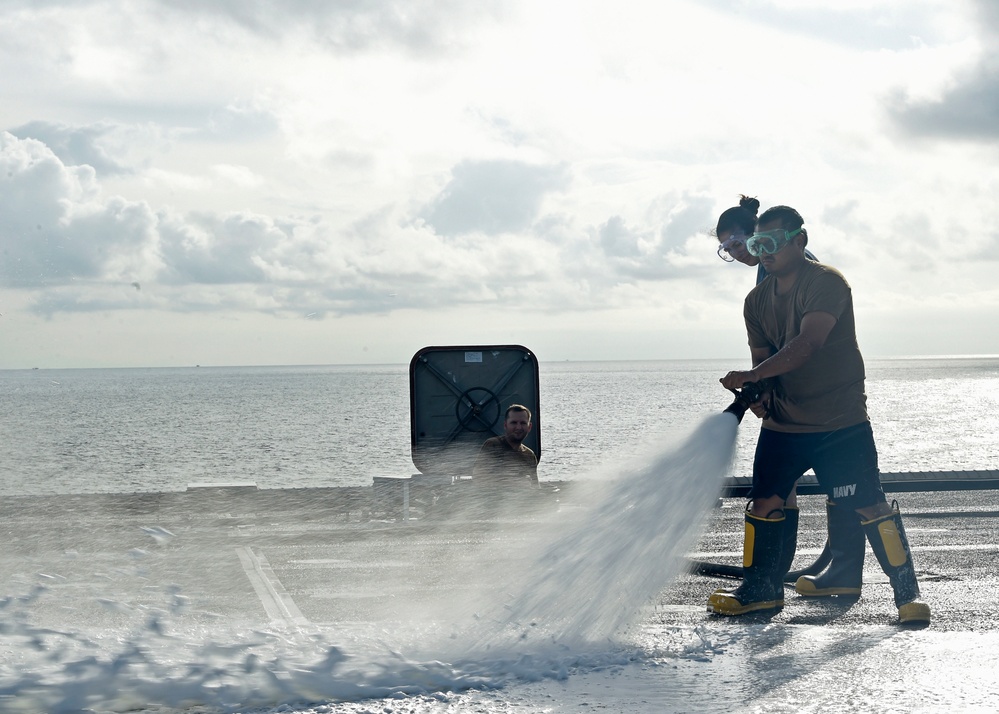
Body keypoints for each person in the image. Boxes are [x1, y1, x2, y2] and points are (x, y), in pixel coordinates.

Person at [706, 205, 930, 625]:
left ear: (799, 241)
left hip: (838, 423)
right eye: (757, 245)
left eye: (771, 243)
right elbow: (763, 357)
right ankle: (761, 592)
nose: (763, 252)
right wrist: (759, 394)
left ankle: (907, 596)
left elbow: (807, 344)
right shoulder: (755, 301)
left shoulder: (826, 283)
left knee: (867, 505)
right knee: (765, 502)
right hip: (783, 425)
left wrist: (753, 374)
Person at [714, 197, 864, 603]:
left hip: (819, 402)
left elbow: (803, 340)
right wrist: (763, 389)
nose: (736, 253)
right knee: (785, 486)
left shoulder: (789, 266)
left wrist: (761, 380)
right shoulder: (768, 270)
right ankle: (785, 573)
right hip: (790, 396)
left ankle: (816, 570)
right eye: (726, 249)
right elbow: (769, 340)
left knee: (839, 487)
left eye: (737, 242)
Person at [471, 404, 539, 489]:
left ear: (529, 427)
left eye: (523, 423)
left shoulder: (529, 455)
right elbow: (478, 479)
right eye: (514, 423)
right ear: (505, 425)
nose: (518, 427)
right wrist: (513, 482)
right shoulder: (493, 446)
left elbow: (535, 487)